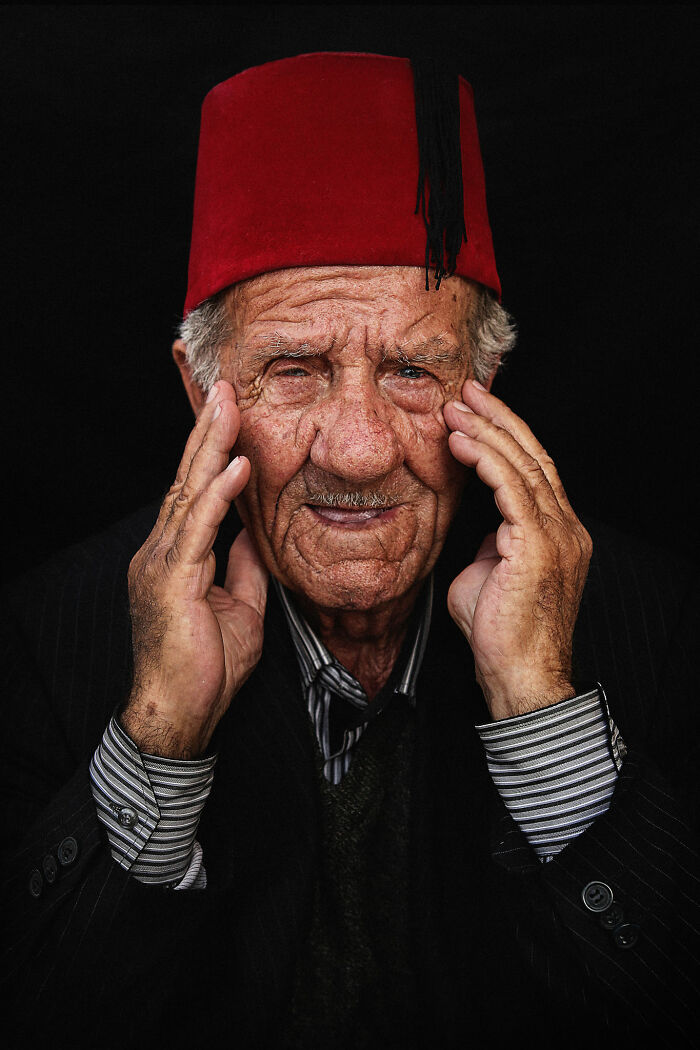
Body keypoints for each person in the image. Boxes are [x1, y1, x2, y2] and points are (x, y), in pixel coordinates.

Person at [1, 52, 698, 1050]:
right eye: (295, 368)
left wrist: (542, 704)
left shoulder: (662, 626)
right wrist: (159, 735)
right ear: (204, 397)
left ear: (486, 382)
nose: (362, 449)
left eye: (415, 368)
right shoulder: (42, 640)